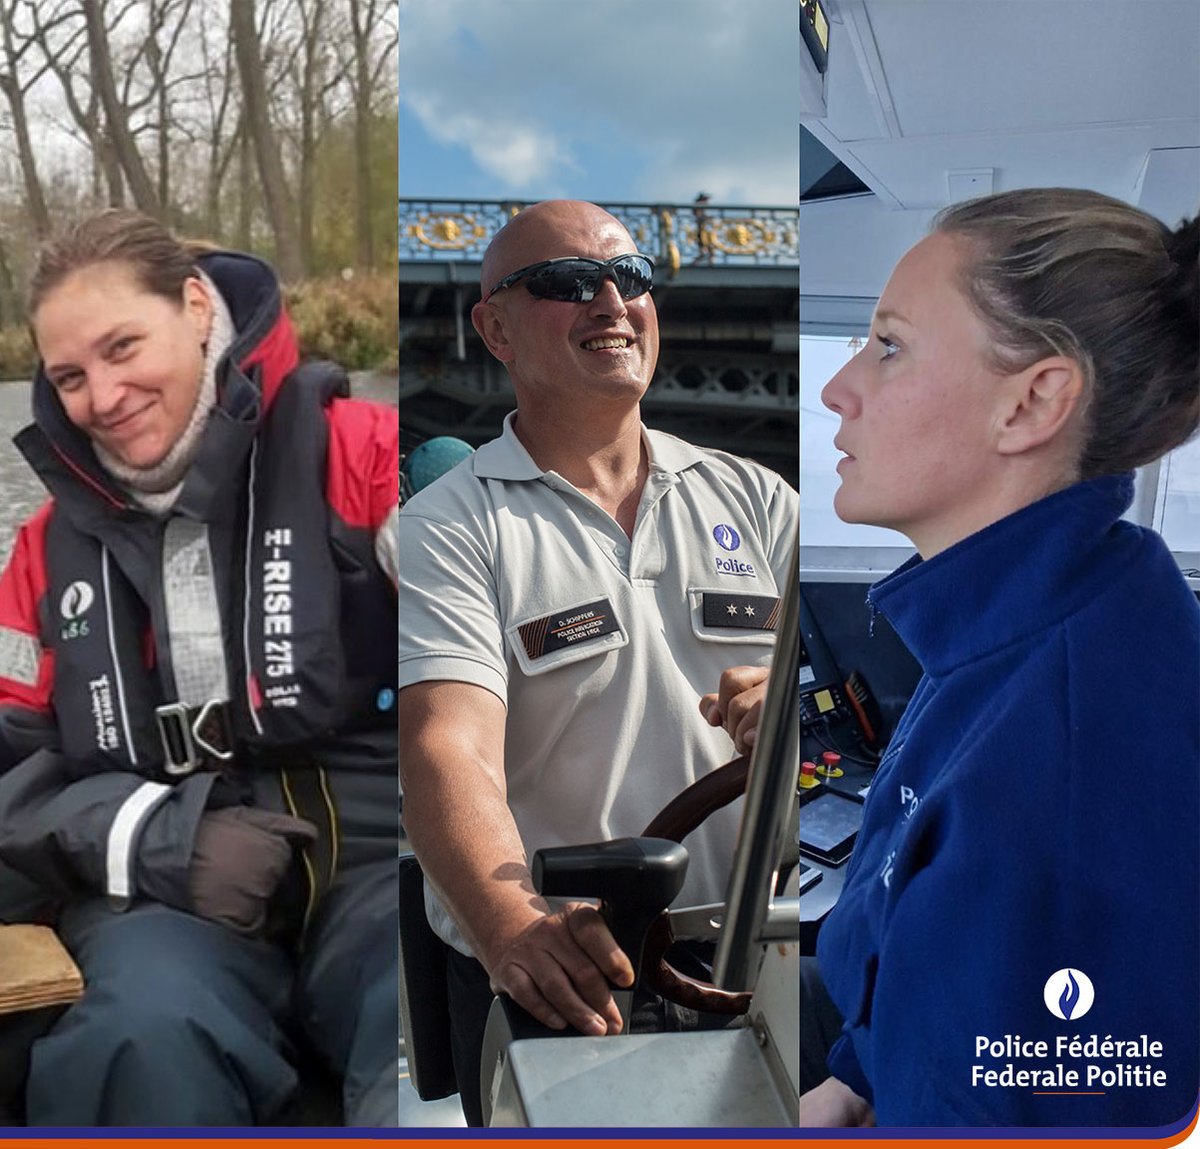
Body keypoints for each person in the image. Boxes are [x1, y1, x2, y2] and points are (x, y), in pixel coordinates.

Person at [803, 187, 1199, 1127]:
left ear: (1032, 402)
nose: (838, 387)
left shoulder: (1066, 772)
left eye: (889, 345)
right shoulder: (1034, 615)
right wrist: (854, 1077)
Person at [397, 199, 797, 1125]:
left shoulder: (764, 501)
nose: (612, 301)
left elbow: (851, 724)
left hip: (756, 953)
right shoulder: (450, 527)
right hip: (563, 968)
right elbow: (446, 750)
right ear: (492, 325)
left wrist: (794, 706)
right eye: (569, 284)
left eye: (633, 277)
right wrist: (514, 929)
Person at [0, 210, 400, 1126]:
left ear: (193, 306)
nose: (102, 395)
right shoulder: (38, 556)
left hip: (387, 871)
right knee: (135, 1035)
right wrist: (160, 840)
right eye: (69, 376)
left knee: (438, 998)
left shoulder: (372, 455)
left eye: (122, 347)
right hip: (166, 898)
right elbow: (10, 773)